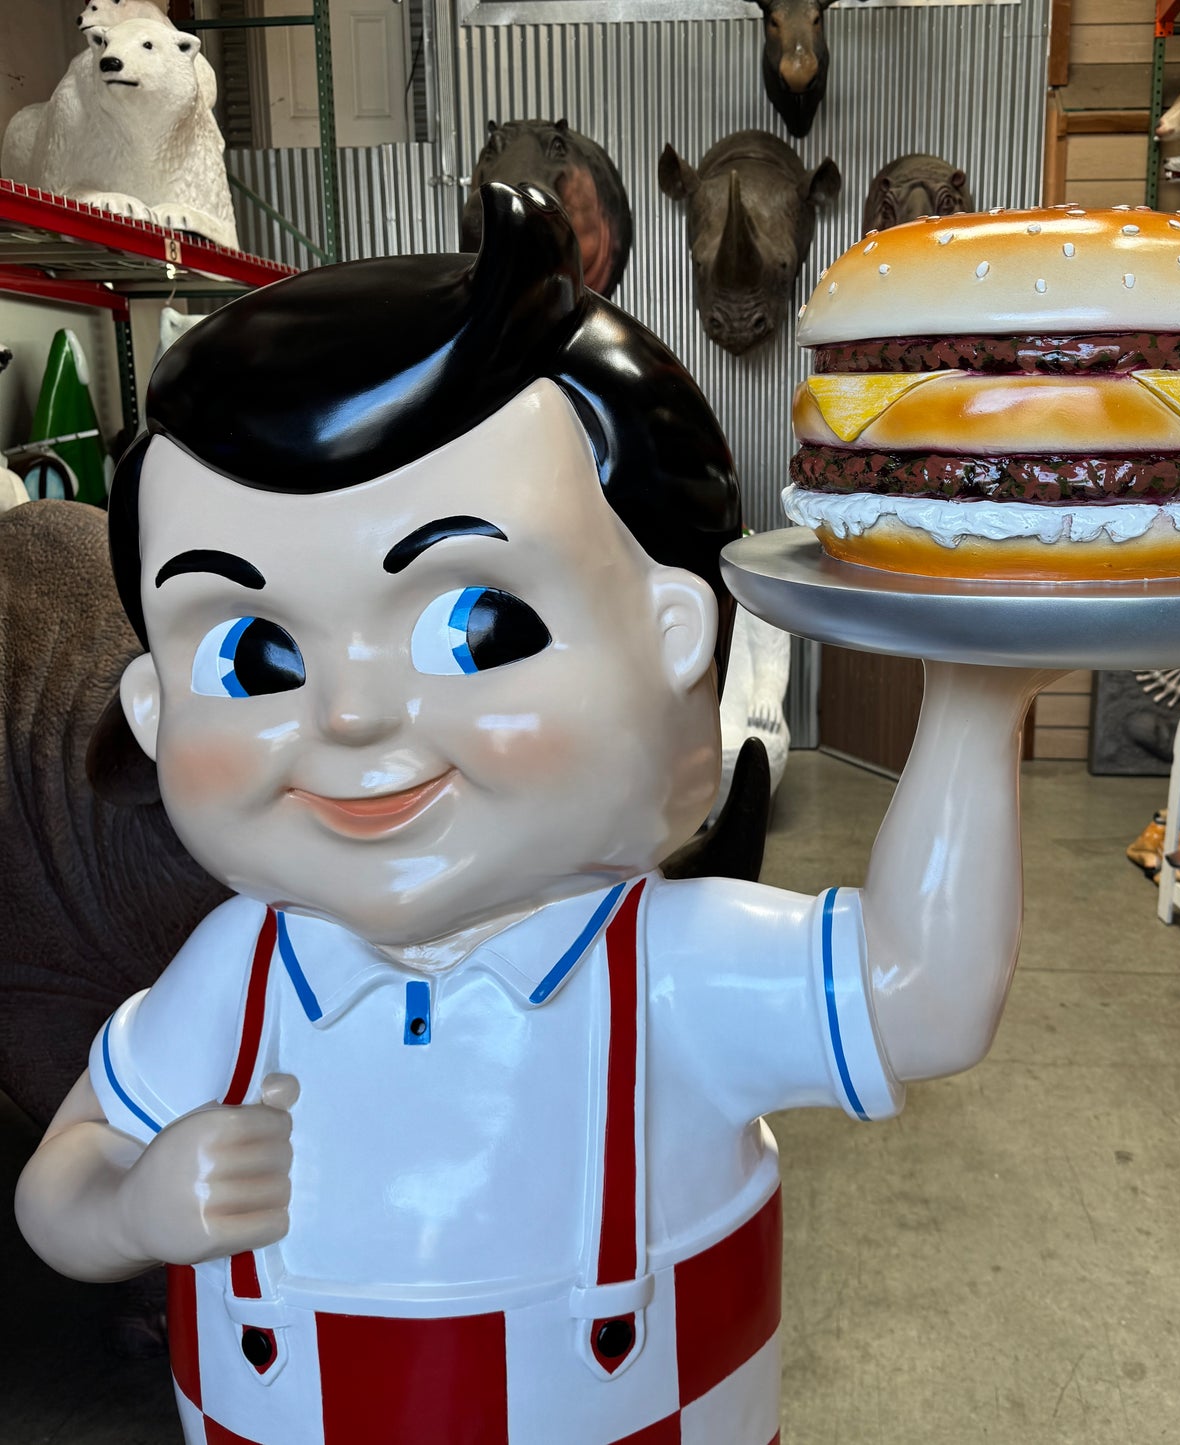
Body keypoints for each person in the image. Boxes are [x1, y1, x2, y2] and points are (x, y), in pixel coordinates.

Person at [15, 183, 1038, 1445]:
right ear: (156, 709)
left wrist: (973, 697)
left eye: (476, 623)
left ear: (674, 631)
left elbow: (920, 996)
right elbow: (58, 1180)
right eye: (253, 657)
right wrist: (130, 1210)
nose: (348, 714)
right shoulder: (238, 975)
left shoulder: (666, 966)